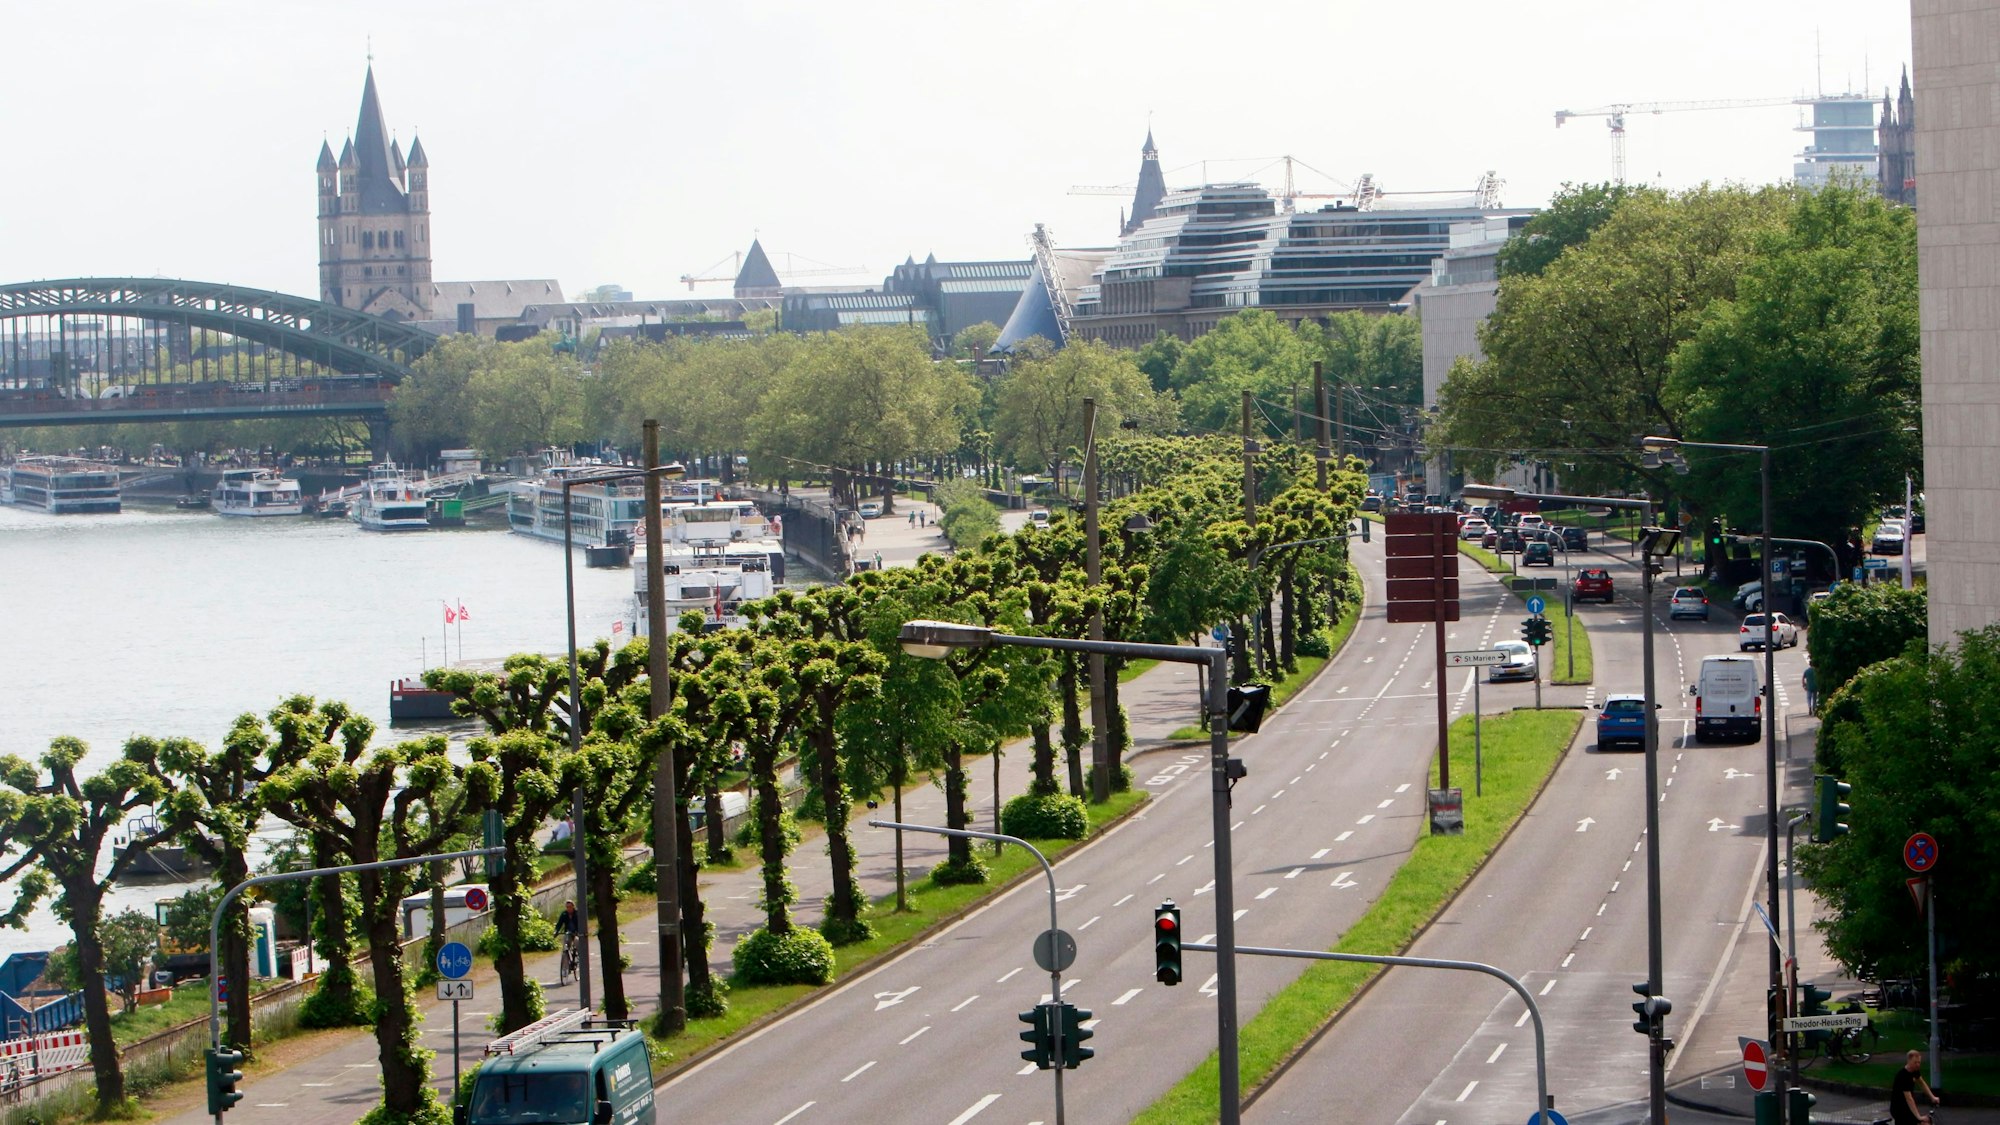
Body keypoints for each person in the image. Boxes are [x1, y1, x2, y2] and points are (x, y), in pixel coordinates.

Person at [1891, 1048, 1938, 1124]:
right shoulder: (1903, 1076)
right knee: (1923, 1122)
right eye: (1915, 1062)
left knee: (1923, 1121)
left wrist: (1932, 1097)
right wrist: (1918, 1116)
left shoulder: (1914, 1071)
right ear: (1909, 1061)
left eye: (1919, 1062)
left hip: (1907, 1107)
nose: (1917, 1065)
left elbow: (1922, 1083)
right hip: (1899, 1108)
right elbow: (1909, 1098)